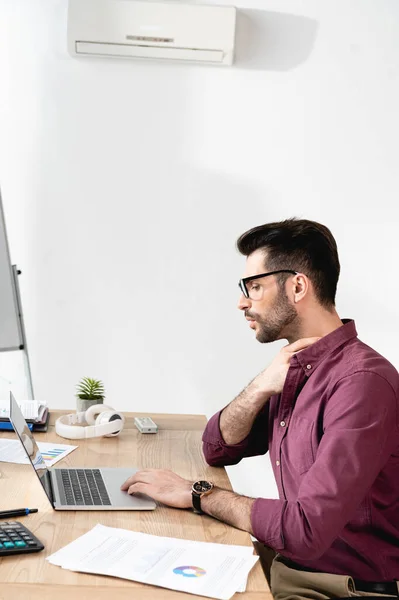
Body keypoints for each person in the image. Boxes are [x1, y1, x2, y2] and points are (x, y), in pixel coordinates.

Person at [121, 218, 399, 600]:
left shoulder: (362, 383)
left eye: (254, 286)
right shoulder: (295, 367)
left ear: (297, 286)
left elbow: (305, 530)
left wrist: (199, 494)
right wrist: (261, 386)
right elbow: (218, 447)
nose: (242, 301)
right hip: (290, 567)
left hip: (344, 588)